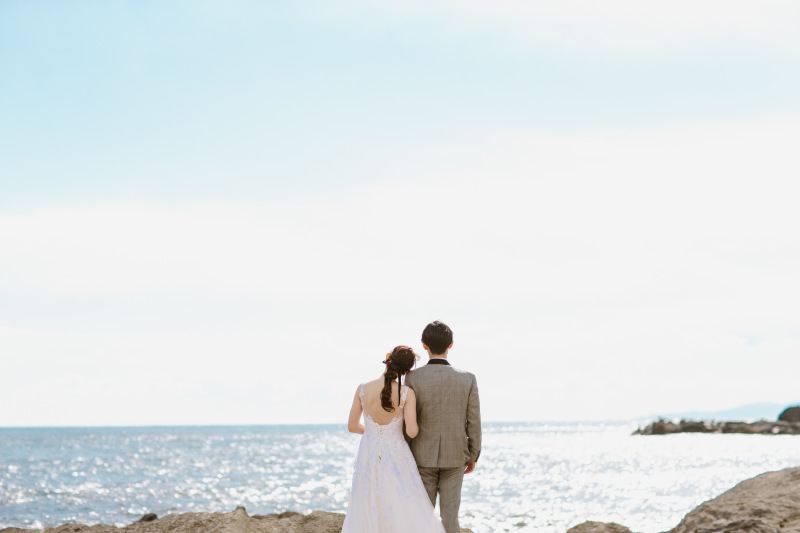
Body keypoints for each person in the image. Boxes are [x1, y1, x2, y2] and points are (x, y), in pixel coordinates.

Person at [341, 345, 446, 533]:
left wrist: (374, 433)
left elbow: (352, 426)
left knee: (368, 500)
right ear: (406, 371)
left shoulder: (362, 389)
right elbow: (412, 432)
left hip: (368, 454)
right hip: (397, 455)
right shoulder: (406, 393)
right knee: (402, 502)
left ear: (388, 357)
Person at [404, 321, 481, 533]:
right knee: (450, 517)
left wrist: (405, 454)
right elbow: (473, 421)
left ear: (424, 345)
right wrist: (473, 454)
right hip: (455, 456)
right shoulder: (468, 379)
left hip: (421, 456)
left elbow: (407, 421)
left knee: (423, 517)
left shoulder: (412, 378)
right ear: (451, 344)